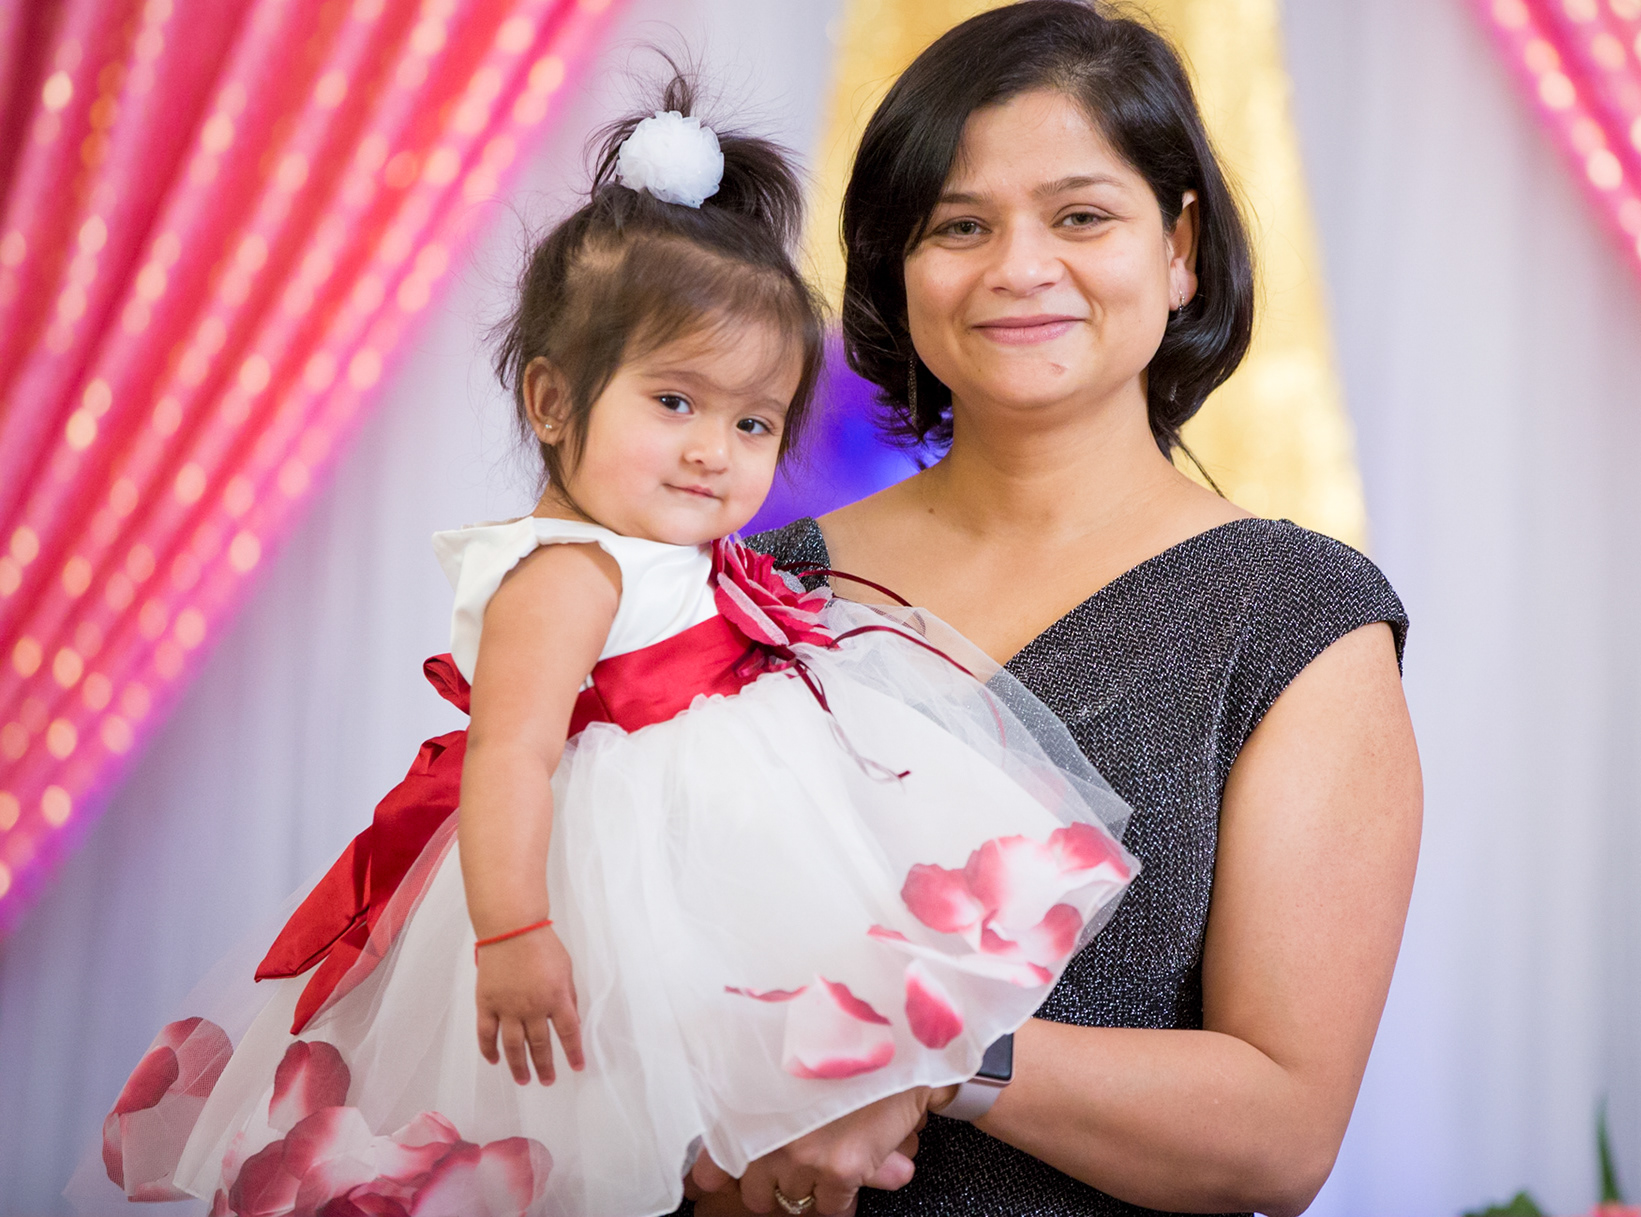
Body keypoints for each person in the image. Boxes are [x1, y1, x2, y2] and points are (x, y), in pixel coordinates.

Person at [90, 76, 1137, 1217]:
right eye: (675, 402)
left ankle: (838, 1131)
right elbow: (508, 755)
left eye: (752, 422)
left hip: (716, 820)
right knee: (640, 1088)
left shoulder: (656, 549)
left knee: (813, 1014)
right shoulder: (568, 570)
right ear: (551, 400)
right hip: (613, 860)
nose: (713, 451)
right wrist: (515, 932)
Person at [691, 0, 1423, 1217]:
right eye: (959, 225)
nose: (1019, 268)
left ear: (1180, 248)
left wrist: (933, 1050)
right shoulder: (757, 589)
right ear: (898, 269)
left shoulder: (1294, 620)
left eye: (1081, 216)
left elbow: (1283, 1134)